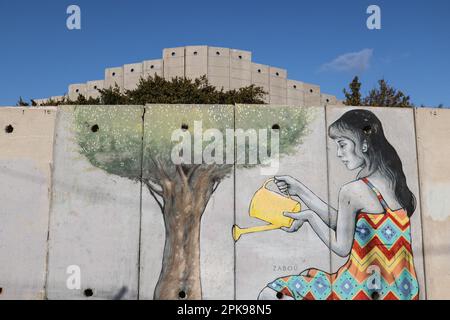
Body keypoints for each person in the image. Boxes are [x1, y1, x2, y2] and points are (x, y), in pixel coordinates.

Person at [258, 109, 419, 300]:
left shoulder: (352, 191)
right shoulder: (394, 184)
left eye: (342, 145)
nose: (339, 153)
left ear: (364, 143)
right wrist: (301, 191)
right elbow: (352, 227)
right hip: (403, 292)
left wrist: (310, 216)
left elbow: (342, 248)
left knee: (272, 293)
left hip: (357, 290)